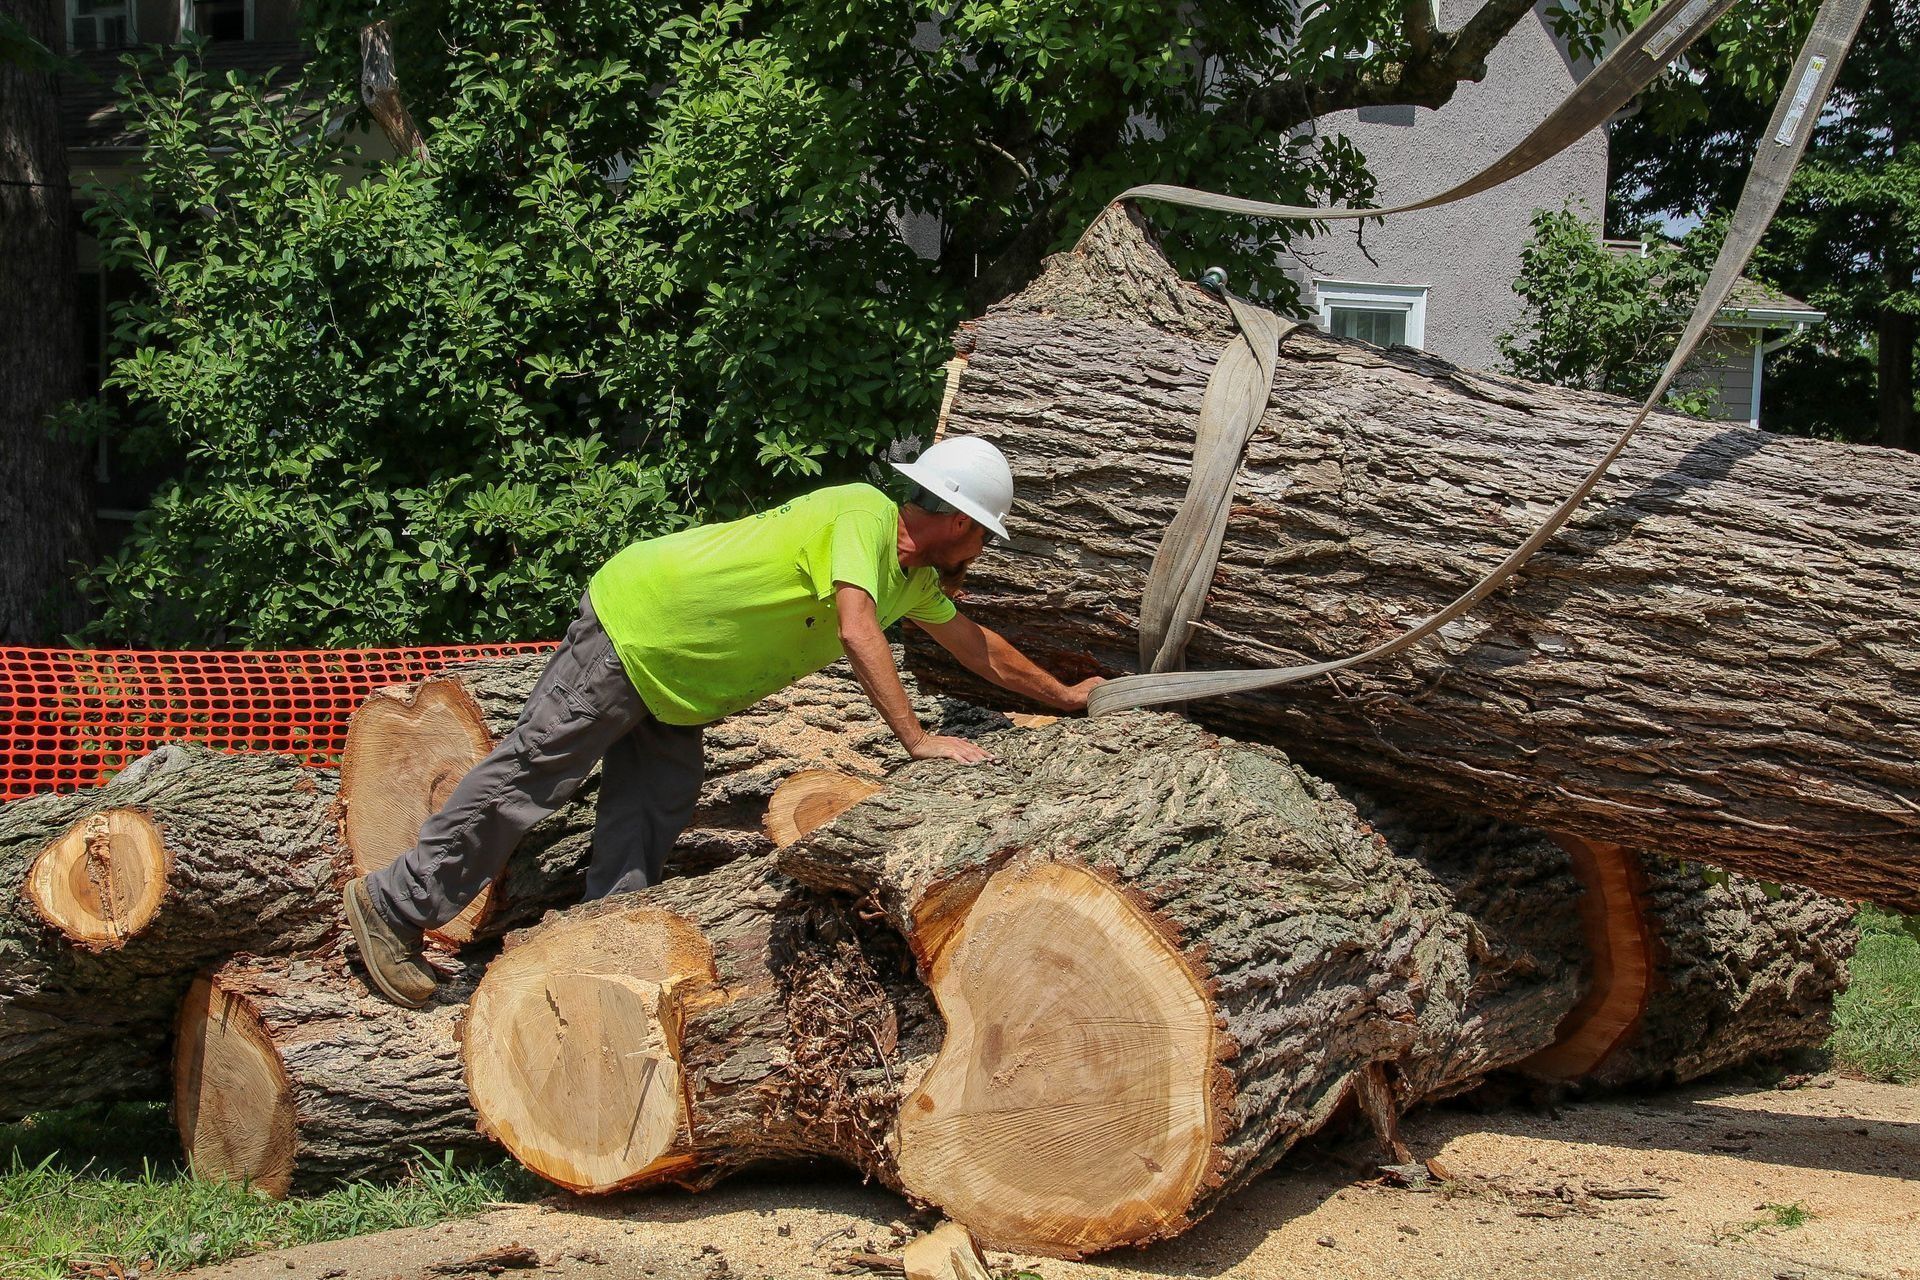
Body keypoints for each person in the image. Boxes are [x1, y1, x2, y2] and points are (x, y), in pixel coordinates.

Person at [343, 435, 1102, 1007]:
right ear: (955, 519)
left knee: (650, 814)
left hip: (681, 684)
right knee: (531, 778)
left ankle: (595, 963)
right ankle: (392, 906)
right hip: (639, 631)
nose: (981, 550)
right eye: (982, 534)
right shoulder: (860, 516)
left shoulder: (911, 579)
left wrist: (1064, 697)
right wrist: (917, 738)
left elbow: (978, 647)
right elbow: (854, 626)